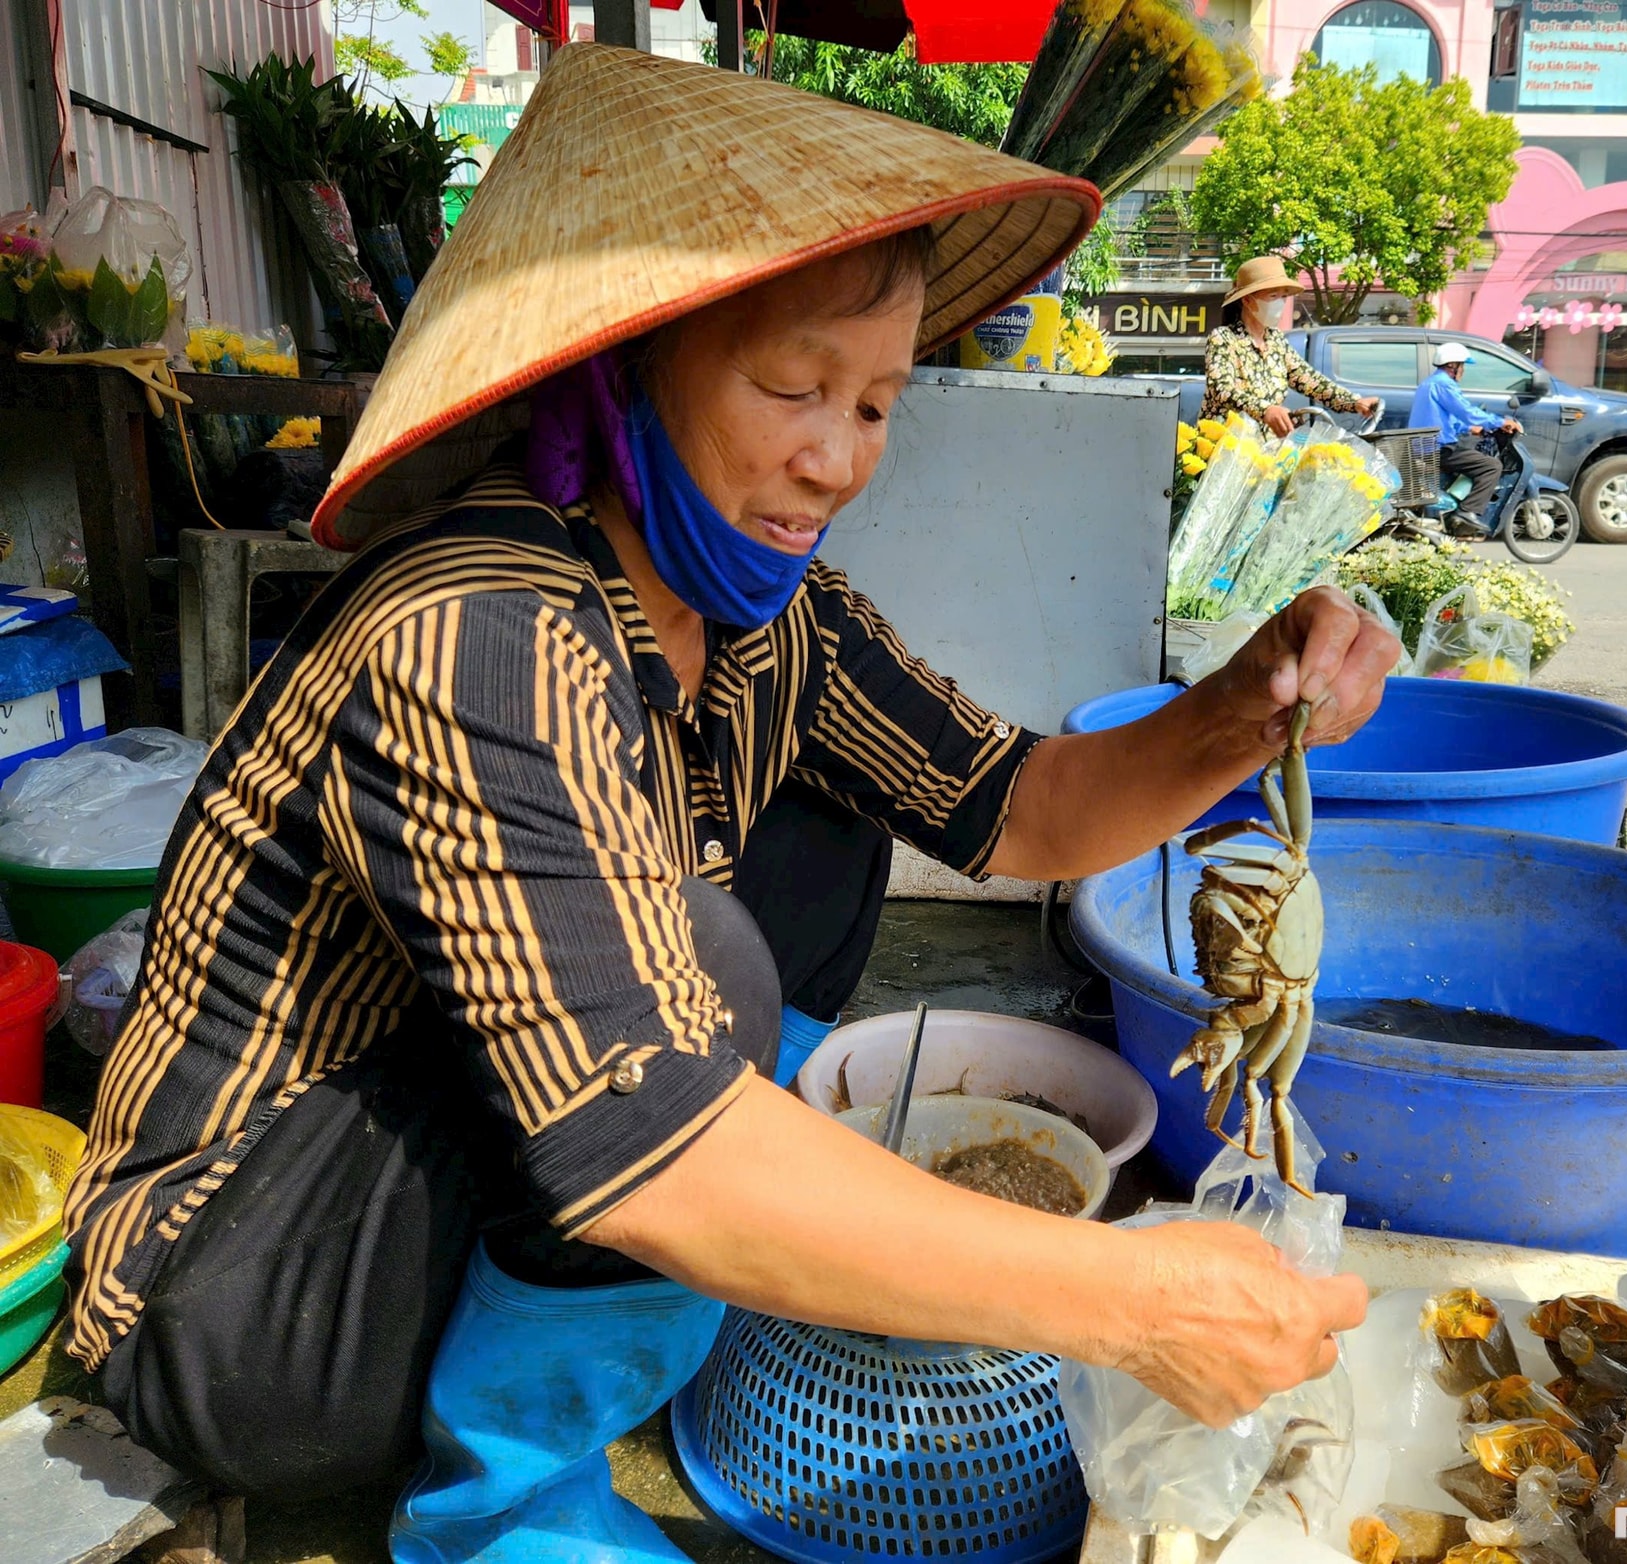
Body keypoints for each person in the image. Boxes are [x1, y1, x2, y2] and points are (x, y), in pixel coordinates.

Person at [62, 46, 1400, 1564]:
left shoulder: (775, 622)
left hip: (445, 1192)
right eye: (791, 387)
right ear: (624, 369)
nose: (835, 461)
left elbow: (1025, 806)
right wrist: (1135, 1302)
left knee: (827, 843)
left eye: (879, 404)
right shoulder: (479, 628)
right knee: (709, 980)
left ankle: (650, 1305)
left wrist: (1243, 701)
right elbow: (661, 1133)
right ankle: (499, 1509)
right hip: (241, 1299)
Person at [1202, 255, 1382, 437]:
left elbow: (1309, 380)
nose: (1280, 303)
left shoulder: (1276, 341)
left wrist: (1354, 402)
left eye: (1283, 297)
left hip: (1264, 452)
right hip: (1226, 449)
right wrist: (1265, 410)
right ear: (1247, 301)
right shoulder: (1224, 339)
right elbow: (1222, 389)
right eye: (1273, 296)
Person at [1409, 342, 1522, 536]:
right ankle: (1466, 511)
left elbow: (1450, 419)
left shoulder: (1429, 383)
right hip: (1437, 449)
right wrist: (1499, 422)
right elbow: (1466, 411)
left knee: (1471, 458)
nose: (1463, 370)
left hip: (1424, 446)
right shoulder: (1444, 384)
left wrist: (1471, 428)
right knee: (1491, 466)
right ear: (1453, 366)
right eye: (1462, 366)